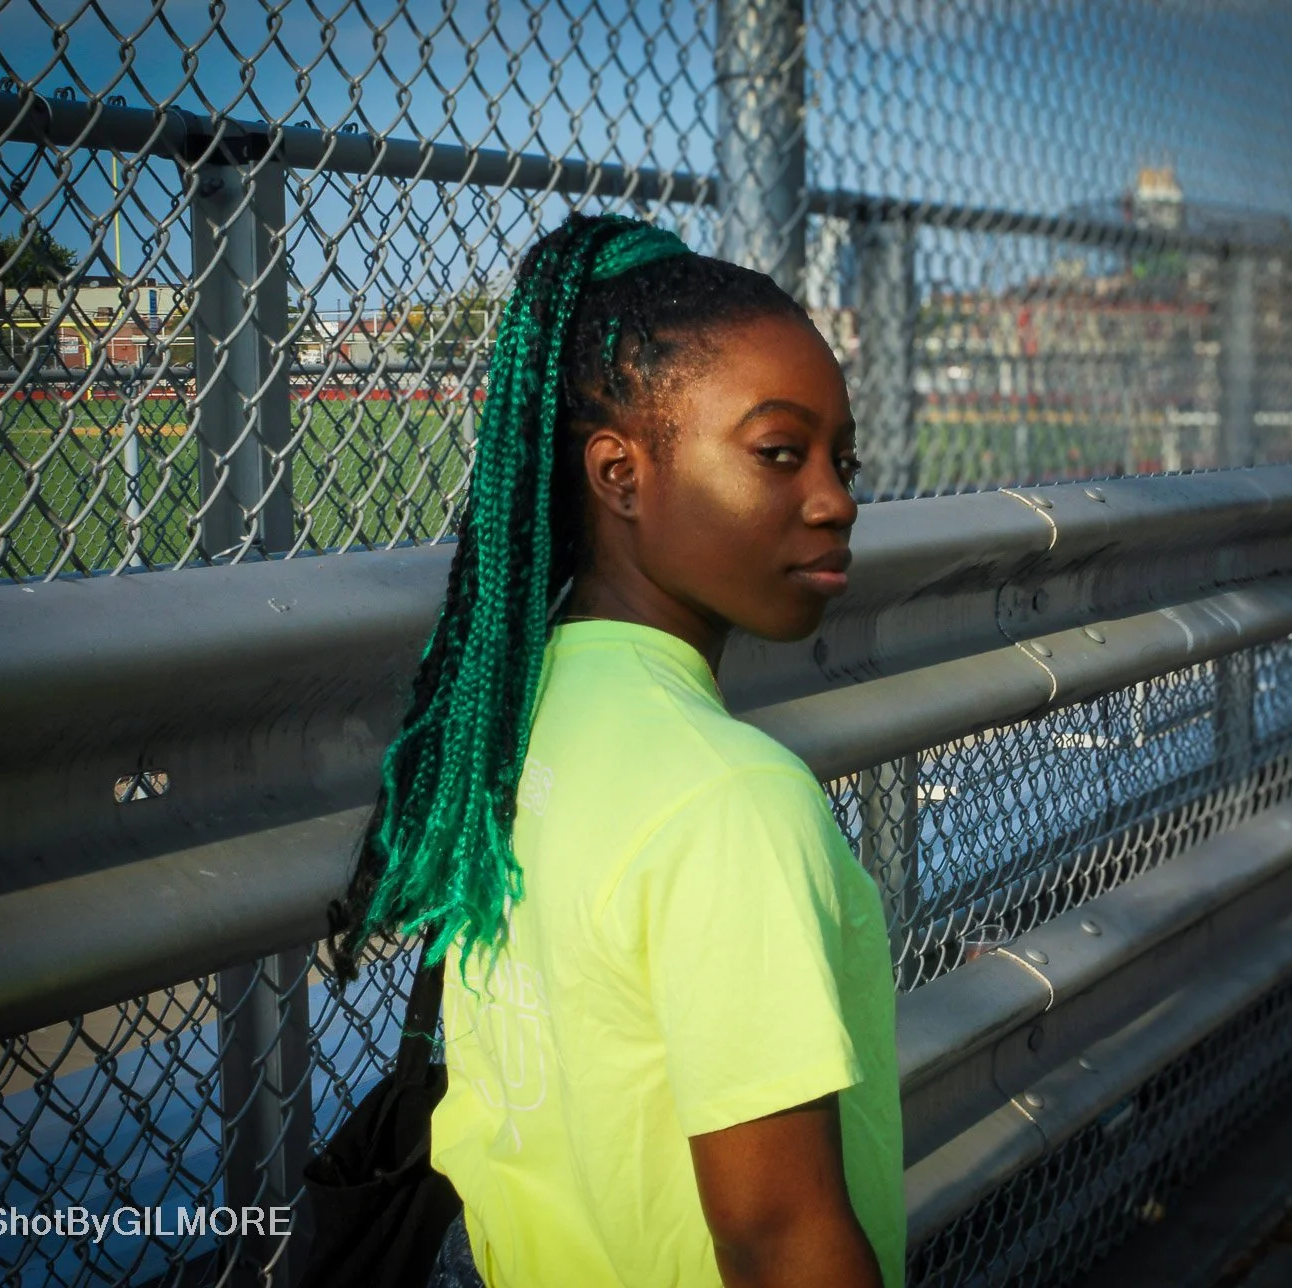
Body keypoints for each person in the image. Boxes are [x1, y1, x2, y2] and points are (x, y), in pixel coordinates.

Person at [327, 212, 903, 1288]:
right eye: (779, 453)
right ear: (620, 473)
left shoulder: (509, 717)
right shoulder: (729, 798)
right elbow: (781, 1240)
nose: (835, 500)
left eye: (841, 457)